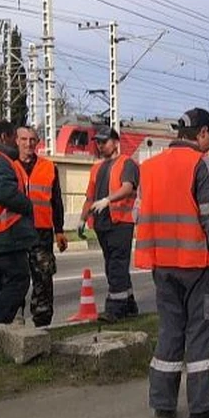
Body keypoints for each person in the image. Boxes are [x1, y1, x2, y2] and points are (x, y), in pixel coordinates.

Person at [135, 107, 209, 418]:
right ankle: (204, 410)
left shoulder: (148, 168)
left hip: (163, 267)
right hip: (199, 267)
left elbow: (139, 215)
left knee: (169, 332)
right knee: (202, 336)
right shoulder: (203, 167)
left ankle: (163, 407)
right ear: (203, 133)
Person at [78, 126, 139, 322]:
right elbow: (89, 196)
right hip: (102, 224)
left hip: (120, 222)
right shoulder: (97, 167)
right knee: (114, 265)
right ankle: (129, 304)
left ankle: (115, 309)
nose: (101, 145)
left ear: (116, 142)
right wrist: (82, 218)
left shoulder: (127, 163)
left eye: (104, 141)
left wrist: (108, 200)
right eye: (99, 142)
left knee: (116, 266)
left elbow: (128, 187)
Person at [16, 126, 68, 327]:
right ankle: (15, 321)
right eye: (24, 139)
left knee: (43, 278)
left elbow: (56, 201)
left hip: (42, 232)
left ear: (37, 142)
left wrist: (60, 230)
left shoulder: (48, 167)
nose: (28, 143)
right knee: (16, 278)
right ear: (17, 141)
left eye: (32, 140)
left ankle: (43, 323)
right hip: (16, 231)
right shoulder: (9, 166)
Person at [0, 120, 35, 324]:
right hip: (4, 235)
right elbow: (3, 191)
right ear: (4, 137)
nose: (16, 143)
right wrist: (27, 204)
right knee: (18, 280)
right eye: (14, 138)